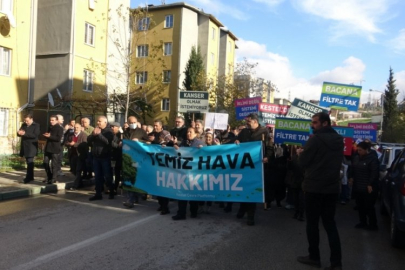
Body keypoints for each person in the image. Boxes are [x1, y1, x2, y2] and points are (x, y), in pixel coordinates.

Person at [296, 112, 343, 270]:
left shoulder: (315, 140)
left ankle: (314, 257)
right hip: (331, 187)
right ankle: (336, 262)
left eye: (315, 122)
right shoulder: (338, 140)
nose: (312, 125)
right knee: (330, 224)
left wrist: (300, 154)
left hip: (314, 187)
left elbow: (302, 162)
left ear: (324, 123)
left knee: (312, 223)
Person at [234, 113, 273, 226]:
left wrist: (267, 157)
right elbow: (237, 139)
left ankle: (250, 216)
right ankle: (242, 208)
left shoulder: (264, 132)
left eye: (249, 121)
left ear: (255, 121)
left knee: (251, 189)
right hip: (244, 165)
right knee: (244, 188)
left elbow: (269, 146)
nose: (247, 123)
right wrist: (236, 141)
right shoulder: (245, 132)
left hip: (257, 165)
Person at [172, 127, 205, 220]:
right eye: (187, 132)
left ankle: (194, 212)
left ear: (195, 134)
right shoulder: (184, 143)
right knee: (182, 193)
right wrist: (176, 148)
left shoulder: (200, 143)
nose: (188, 133)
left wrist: (202, 149)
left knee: (193, 194)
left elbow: (207, 154)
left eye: (190, 132)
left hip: (194, 173)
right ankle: (181, 213)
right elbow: (179, 153)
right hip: (184, 172)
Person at [349, 141, 379, 230]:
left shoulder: (372, 159)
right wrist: (350, 177)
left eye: (361, 150)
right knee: (360, 206)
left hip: (368, 187)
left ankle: (373, 224)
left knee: (369, 206)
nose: (359, 152)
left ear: (367, 150)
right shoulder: (356, 158)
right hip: (358, 186)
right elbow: (352, 168)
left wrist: (370, 184)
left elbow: (374, 173)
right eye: (358, 150)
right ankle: (363, 222)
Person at [122, 116, 149, 207]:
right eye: (131, 122)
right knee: (130, 178)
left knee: (138, 178)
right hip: (129, 158)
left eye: (134, 122)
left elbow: (148, 142)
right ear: (128, 123)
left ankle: (138, 196)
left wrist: (139, 141)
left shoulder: (141, 131)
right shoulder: (126, 132)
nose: (133, 124)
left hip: (139, 158)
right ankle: (130, 200)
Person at [87, 116, 114, 201]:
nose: (98, 123)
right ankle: (98, 194)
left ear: (105, 122)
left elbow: (108, 142)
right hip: (96, 157)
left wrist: (99, 135)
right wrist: (94, 135)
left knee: (108, 176)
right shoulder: (96, 130)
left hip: (105, 157)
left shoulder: (109, 131)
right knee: (97, 176)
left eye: (100, 121)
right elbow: (89, 139)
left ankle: (112, 191)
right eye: (97, 121)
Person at [17, 114, 40, 183]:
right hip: (24, 145)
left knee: (30, 161)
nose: (26, 122)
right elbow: (20, 132)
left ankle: (28, 177)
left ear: (31, 119)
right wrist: (19, 133)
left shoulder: (36, 125)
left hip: (31, 146)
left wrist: (24, 134)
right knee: (28, 161)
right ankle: (31, 176)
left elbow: (35, 135)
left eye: (27, 121)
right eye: (25, 121)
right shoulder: (24, 125)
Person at [66, 123, 88, 190]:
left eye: (77, 127)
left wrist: (75, 144)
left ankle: (75, 186)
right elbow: (66, 142)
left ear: (81, 128)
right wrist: (69, 144)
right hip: (72, 154)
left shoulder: (83, 135)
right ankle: (80, 183)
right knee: (73, 170)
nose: (76, 129)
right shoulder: (71, 135)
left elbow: (84, 144)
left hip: (80, 155)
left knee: (78, 170)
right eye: (75, 127)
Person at [43, 115, 64, 184]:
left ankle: (53, 178)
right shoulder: (50, 127)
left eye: (53, 120)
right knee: (45, 162)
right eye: (50, 120)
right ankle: (49, 176)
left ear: (57, 120)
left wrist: (50, 136)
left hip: (55, 148)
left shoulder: (60, 128)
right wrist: (46, 135)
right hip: (48, 147)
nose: (51, 121)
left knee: (54, 164)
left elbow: (58, 138)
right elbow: (48, 136)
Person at [110, 122, 123, 194]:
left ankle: (116, 187)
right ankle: (111, 187)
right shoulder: (111, 135)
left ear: (118, 128)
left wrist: (110, 142)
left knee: (117, 173)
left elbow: (119, 146)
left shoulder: (120, 135)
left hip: (118, 157)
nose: (112, 128)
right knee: (111, 172)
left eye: (113, 127)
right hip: (111, 157)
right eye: (111, 126)